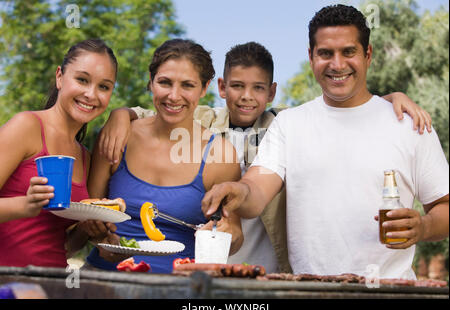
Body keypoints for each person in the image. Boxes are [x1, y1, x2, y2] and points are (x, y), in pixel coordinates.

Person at [98, 39, 433, 274]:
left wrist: (390, 99)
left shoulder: (286, 124)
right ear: (220, 88)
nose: (246, 97)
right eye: (237, 86)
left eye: (258, 88)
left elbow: (340, 114)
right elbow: (157, 111)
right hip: (213, 265)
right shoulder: (204, 121)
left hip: (265, 264)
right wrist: (120, 113)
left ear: (271, 91)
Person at [201, 4, 449, 279]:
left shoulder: (410, 124)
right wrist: (237, 191)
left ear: (367, 55)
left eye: (348, 52)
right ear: (311, 57)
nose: (337, 64)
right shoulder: (290, 124)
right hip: (309, 290)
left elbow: (444, 206)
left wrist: (423, 227)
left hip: (390, 291)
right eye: (325, 53)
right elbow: (256, 189)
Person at [86, 39, 243, 273]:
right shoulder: (118, 138)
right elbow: (86, 215)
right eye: (164, 82)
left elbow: (236, 236)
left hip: (181, 287)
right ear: (151, 82)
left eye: (187, 85)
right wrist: (99, 238)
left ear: (204, 87)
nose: (173, 96)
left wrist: (227, 234)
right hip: (105, 277)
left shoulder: (219, 154)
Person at [0, 39, 118, 268]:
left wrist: (86, 231)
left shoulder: (84, 156)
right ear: (59, 77)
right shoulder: (26, 126)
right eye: (82, 80)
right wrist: (25, 205)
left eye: (104, 87)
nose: (91, 94)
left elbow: (61, 246)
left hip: (50, 285)